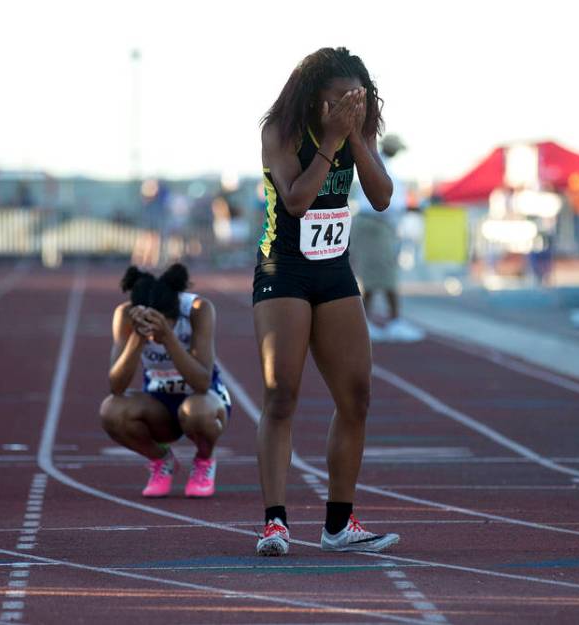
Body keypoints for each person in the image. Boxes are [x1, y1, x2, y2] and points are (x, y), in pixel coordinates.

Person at [253, 47, 400, 556]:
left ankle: (339, 524)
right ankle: (275, 523)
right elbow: (296, 199)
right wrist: (332, 140)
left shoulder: (358, 130)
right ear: (315, 98)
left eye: (358, 100)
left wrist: (356, 137)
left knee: (357, 396)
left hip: (334, 269)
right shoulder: (281, 130)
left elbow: (381, 195)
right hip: (284, 270)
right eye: (341, 100)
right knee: (281, 394)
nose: (350, 107)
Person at [101, 264, 230, 499]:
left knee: (197, 410)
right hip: (160, 404)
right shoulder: (126, 315)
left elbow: (202, 382)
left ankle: (204, 460)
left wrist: (169, 338)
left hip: (205, 401)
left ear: (173, 316)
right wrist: (137, 338)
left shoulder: (198, 310)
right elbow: (116, 386)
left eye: (160, 323)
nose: (153, 335)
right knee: (111, 409)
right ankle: (162, 460)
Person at [350, 133, 424, 342]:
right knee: (382, 275)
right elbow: (386, 203)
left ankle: (373, 321)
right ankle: (389, 321)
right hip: (376, 224)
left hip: (376, 224)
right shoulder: (383, 167)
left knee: (376, 275)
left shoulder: (379, 165)